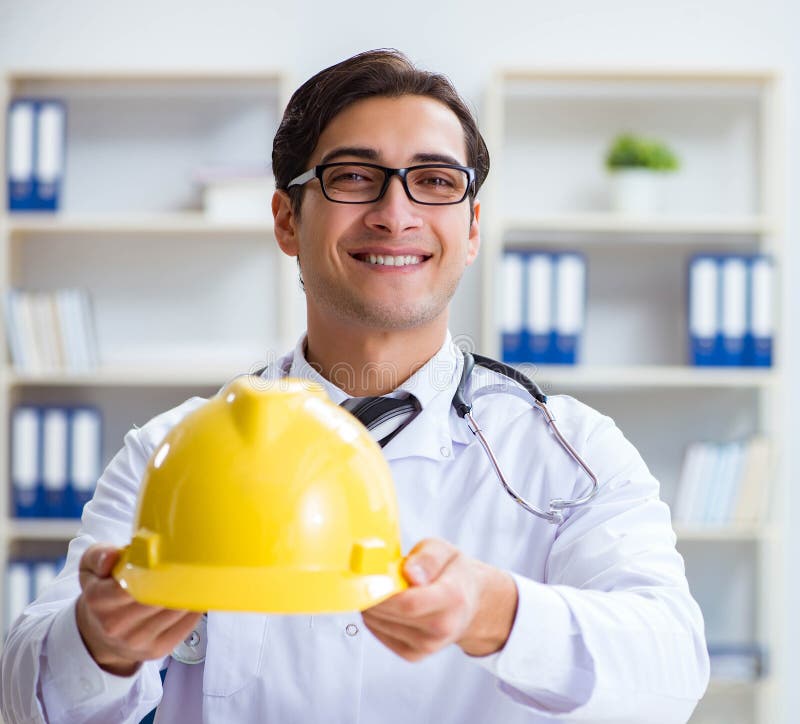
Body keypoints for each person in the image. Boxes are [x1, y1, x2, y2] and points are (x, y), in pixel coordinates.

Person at [0, 49, 709, 724]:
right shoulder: (172, 451)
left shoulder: (567, 449)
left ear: (471, 229)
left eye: (434, 181)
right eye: (352, 176)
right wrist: (100, 642)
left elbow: (672, 671)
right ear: (286, 219)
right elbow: (22, 692)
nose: (395, 213)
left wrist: (495, 613)